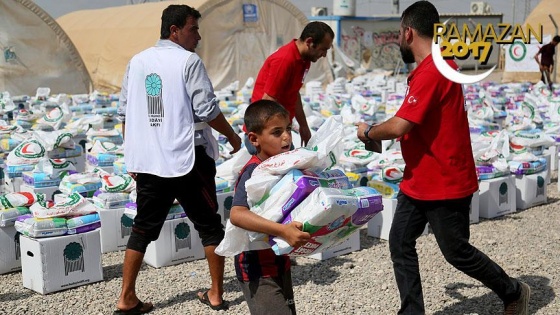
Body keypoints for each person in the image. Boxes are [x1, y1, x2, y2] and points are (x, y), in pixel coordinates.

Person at [356, 2, 530, 314]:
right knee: (400, 242)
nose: (398, 39)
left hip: (444, 180)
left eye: (399, 33)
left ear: (408, 32)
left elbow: (400, 125)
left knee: (457, 252)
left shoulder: (433, 71)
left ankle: (514, 290)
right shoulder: (434, 68)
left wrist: (368, 132)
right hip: (420, 178)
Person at [114, 4, 242, 314]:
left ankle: (126, 298)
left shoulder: (137, 61)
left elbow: (124, 113)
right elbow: (207, 109)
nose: (198, 36)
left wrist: (134, 155)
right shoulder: (188, 61)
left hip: (149, 164)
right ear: (175, 30)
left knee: (142, 228)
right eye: (193, 29)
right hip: (188, 158)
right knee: (210, 226)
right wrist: (234, 137)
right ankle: (215, 293)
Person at [229, 100, 311, 315]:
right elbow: (237, 215)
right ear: (254, 139)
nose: (286, 137)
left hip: (279, 262)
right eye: (277, 132)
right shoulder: (252, 173)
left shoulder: (283, 166)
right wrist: (283, 231)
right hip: (256, 269)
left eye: (288, 129)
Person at [246, 21, 334, 153]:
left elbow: (294, 93)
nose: (324, 55)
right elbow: (267, 102)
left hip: (279, 133)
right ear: (310, 42)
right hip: (266, 136)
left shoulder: (304, 60)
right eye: (323, 49)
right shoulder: (285, 60)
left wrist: (303, 127)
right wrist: (268, 144)